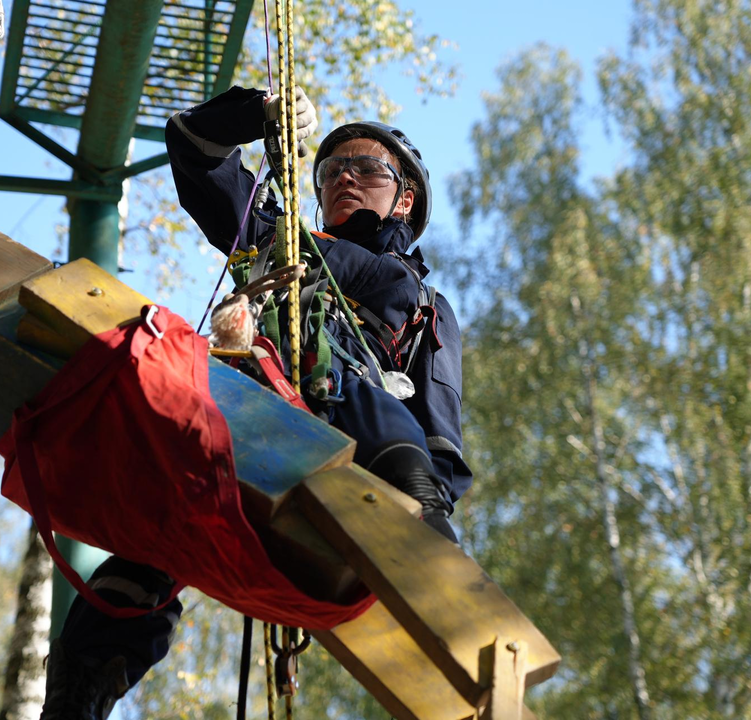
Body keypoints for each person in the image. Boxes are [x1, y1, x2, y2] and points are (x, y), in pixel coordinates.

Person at [37, 85, 473, 720]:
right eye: (331, 169)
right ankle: (79, 687)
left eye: (368, 167)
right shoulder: (279, 243)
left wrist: (427, 495)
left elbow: (437, 424)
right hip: (253, 409)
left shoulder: (423, 303)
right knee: (157, 529)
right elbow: (192, 149)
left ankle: (444, 598)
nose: (345, 175)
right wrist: (256, 113)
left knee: (362, 395)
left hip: (354, 430)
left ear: (403, 196)